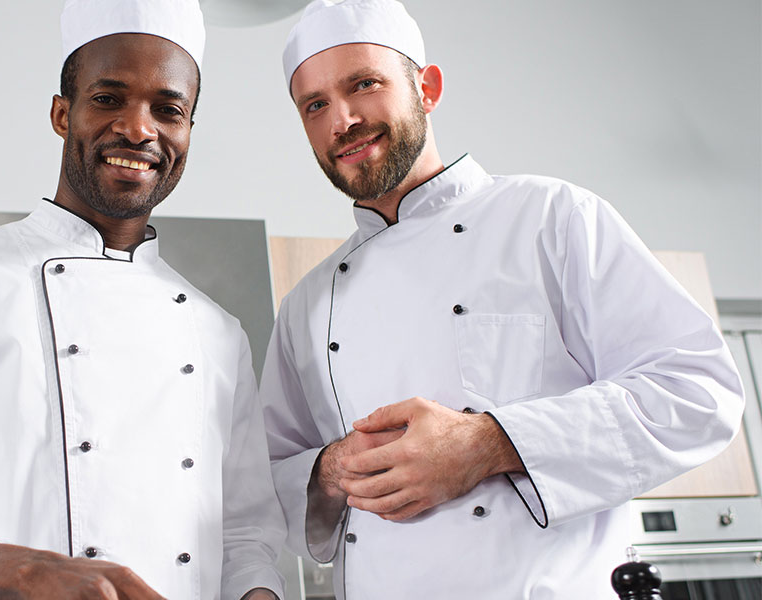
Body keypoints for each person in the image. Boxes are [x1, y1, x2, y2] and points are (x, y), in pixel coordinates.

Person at [260, 0, 745, 597]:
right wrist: (333, 468)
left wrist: (491, 442)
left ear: (427, 88)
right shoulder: (307, 304)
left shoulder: (553, 218)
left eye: (364, 84)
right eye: (315, 105)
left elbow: (697, 391)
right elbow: (265, 484)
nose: (343, 120)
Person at [0, 1, 286, 598]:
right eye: (109, 98)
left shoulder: (217, 333)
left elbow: (246, 536)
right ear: (62, 114)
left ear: (188, 131)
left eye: (168, 109)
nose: (138, 129)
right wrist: (26, 571)